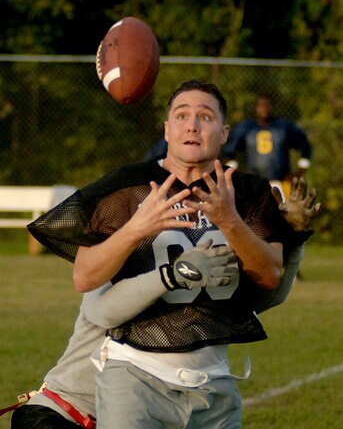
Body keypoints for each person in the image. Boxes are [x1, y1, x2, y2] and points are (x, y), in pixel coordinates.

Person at [23, 80, 317, 429]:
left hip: (214, 383)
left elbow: (268, 280)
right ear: (167, 129)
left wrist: (234, 222)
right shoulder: (129, 186)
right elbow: (85, 277)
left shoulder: (249, 193)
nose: (192, 124)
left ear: (224, 133)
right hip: (135, 373)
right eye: (182, 115)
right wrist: (137, 228)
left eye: (205, 116)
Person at [10, 177, 320, 429]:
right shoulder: (121, 254)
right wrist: (174, 274)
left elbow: (261, 299)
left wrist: (289, 241)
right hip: (65, 413)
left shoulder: (201, 255)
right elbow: (99, 312)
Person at [221, 94, 312, 198]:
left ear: (271, 107)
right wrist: (236, 175)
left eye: (267, 105)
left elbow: (305, 146)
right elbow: (228, 151)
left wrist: (299, 172)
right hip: (254, 184)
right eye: (261, 106)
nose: (264, 109)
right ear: (255, 108)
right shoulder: (245, 128)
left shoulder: (284, 127)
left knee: (286, 213)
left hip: (282, 181)